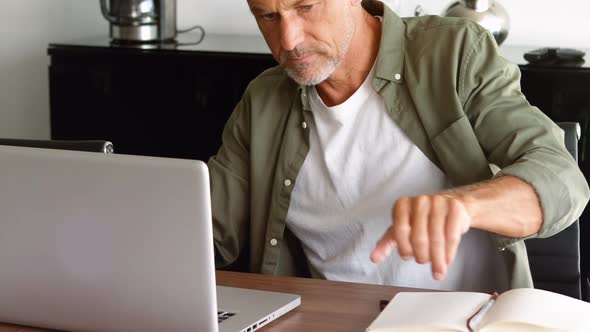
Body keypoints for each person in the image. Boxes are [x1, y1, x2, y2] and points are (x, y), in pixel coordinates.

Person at [208, 0, 589, 292]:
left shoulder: (454, 53)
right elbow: (207, 231)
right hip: (331, 317)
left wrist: (465, 206)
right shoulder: (263, 101)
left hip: (464, 319)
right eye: (267, 17)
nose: (288, 40)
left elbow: (560, 177)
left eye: (306, 6)